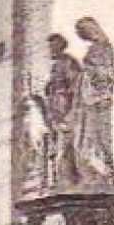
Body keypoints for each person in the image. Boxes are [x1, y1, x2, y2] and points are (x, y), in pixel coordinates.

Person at [70, 16, 114, 186]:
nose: (87, 35)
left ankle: (100, 171)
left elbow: (106, 75)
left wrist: (91, 71)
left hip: (97, 101)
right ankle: (90, 173)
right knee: (83, 138)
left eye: (87, 31)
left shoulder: (104, 48)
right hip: (87, 100)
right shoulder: (97, 49)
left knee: (97, 137)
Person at [44, 33, 80, 185]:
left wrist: (69, 108)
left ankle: (68, 177)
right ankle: (56, 177)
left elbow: (75, 85)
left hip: (64, 106)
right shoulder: (56, 64)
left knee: (66, 143)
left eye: (53, 46)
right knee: (54, 142)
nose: (50, 49)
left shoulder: (68, 62)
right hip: (55, 107)